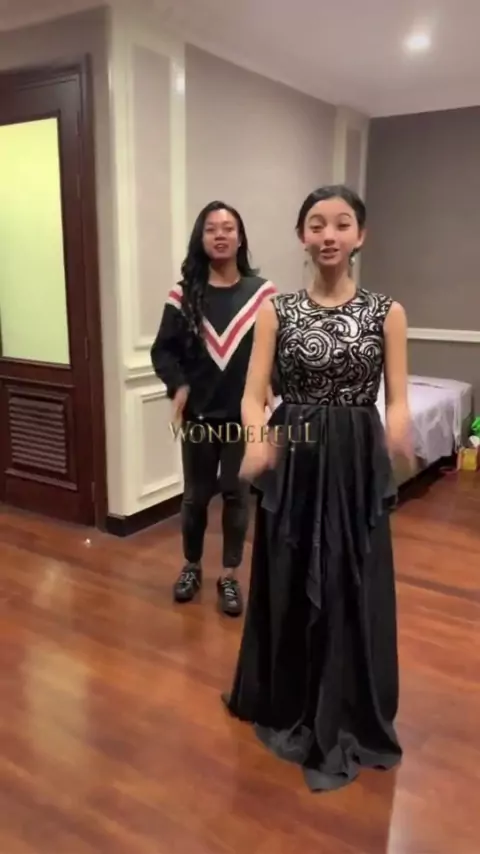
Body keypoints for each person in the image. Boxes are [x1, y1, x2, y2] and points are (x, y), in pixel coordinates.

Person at [222, 185, 412, 790]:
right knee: (290, 571)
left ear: (361, 236)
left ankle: (349, 704)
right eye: (316, 224)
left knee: (349, 578)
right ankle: (289, 696)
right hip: (295, 456)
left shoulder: (387, 312)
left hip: (354, 460)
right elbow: (253, 394)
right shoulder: (276, 310)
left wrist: (400, 426)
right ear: (302, 236)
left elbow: (398, 398)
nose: (329, 235)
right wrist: (256, 437)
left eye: (342, 223)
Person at [151, 201, 277, 616]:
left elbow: (277, 350)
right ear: (201, 238)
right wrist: (179, 384)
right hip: (199, 418)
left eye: (228, 228)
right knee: (195, 498)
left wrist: (272, 385)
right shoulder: (183, 294)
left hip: (243, 418)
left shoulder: (263, 295)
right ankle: (191, 566)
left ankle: (229, 575)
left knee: (237, 495)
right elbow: (163, 351)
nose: (220, 235)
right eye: (211, 229)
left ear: (240, 238)